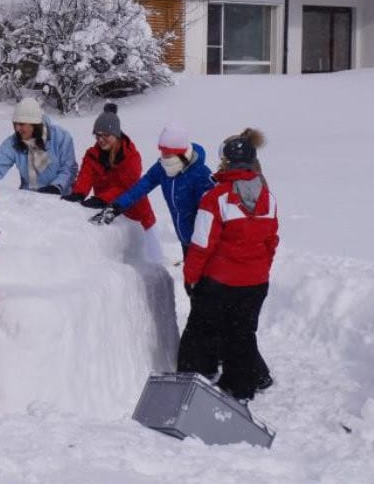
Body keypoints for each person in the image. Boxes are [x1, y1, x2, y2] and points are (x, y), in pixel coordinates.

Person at [177, 130, 278, 403]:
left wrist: (191, 278)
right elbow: (271, 241)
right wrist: (259, 270)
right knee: (241, 334)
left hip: (219, 283)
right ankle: (241, 388)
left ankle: (191, 385)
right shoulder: (269, 198)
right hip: (255, 283)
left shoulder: (216, 198)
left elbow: (200, 244)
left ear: (226, 162)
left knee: (200, 330)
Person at [91, 124, 215, 259]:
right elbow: (141, 186)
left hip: (203, 245)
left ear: (181, 152)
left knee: (198, 279)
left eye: (167, 152)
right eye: (162, 151)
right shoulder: (163, 167)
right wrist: (116, 207)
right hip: (185, 239)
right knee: (190, 277)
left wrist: (200, 244)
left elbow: (209, 214)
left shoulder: (200, 175)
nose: (163, 155)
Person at [61, 103, 156, 230]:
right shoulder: (92, 155)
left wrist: (103, 199)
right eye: (98, 135)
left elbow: (127, 187)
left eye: (106, 135)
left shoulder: (130, 157)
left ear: (116, 135)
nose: (101, 139)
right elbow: (85, 176)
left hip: (137, 218)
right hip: (107, 213)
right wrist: (78, 193)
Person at [0, 97, 77, 195]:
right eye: (15, 124)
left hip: (61, 198)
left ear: (35, 125)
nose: (17, 128)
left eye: (22, 124)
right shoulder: (13, 142)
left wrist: (56, 187)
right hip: (30, 198)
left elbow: (69, 169)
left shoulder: (60, 137)